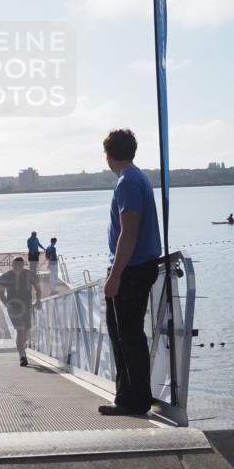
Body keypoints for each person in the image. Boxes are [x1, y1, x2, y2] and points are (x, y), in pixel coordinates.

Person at [99, 128, 163, 416]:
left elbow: (129, 232)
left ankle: (132, 400)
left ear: (109, 155)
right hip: (138, 267)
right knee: (128, 335)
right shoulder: (139, 178)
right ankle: (131, 396)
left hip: (132, 269)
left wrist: (115, 276)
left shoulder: (127, 182)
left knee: (126, 336)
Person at [0, 256, 42, 367]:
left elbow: (38, 289)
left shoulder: (30, 275)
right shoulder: (5, 276)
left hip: (27, 306)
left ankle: (21, 345)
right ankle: (22, 356)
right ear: (12, 265)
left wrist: (38, 300)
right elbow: (1, 294)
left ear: (23, 265)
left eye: (20, 265)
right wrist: (7, 305)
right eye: (16, 265)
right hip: (14, 308)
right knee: (20, 331)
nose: (18, 267)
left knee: (27, 331)